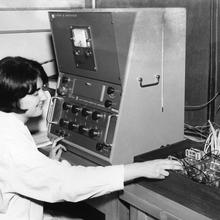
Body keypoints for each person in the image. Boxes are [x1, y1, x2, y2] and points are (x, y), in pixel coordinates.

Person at [0, 56, 182, 220]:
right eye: (35, 93)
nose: (45, 96)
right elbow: (69, 183)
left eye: (42, 89)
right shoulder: (11, 146)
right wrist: (140, 168)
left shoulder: (7, 125)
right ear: (12, 97)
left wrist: (45, 166)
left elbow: (23, 173)